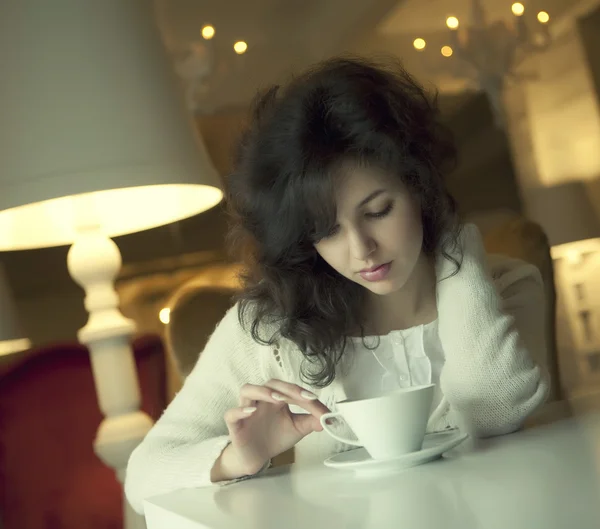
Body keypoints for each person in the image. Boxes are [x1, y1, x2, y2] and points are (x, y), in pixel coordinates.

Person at [125, 57, 549, 514]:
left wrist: (456, 247)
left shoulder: (505, 287)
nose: (361, 249)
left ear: (419, 188)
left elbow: (494, 412)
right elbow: (144, 473)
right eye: (326, 229)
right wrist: (241, 456)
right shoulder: (271, 330)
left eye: (379, 211)